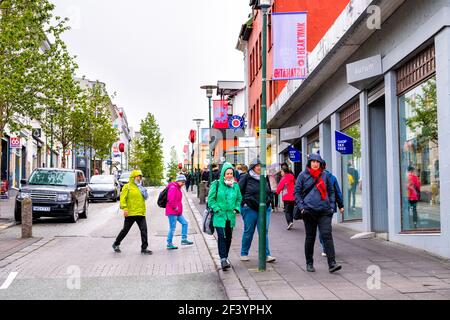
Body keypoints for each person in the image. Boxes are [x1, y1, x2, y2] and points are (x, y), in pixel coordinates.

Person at [295, 154, 341, 273]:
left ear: (320, 164)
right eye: (313, 161)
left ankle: (332, 263)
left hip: (324, 211)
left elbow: (331, 191)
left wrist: (331, 206)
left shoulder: (325, 175)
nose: (315, 164)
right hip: (309, 212)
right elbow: (297, 193)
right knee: (310, 237)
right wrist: (302, 208)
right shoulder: (302, 176)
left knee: (327, 235)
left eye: (317, 162)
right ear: (309, 163)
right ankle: (309, 263)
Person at [239, 158, 276, 263]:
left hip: (264, 209)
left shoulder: (265, 177)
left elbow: (269, 191)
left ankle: (266, 254)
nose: (259, 168)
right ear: (253, 167)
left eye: (261, 166)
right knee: (249, 231)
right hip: (250, 209)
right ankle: (244, 253)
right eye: (257, 165)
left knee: (264, 231)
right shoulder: (246, 177)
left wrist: (269, 201)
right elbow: (238, 191)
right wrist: (243, 203)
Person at [207, 162, 242, 270]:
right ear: (223, 174)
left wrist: (237, 208)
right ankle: (223, 260)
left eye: (231, 173)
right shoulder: (216, 184)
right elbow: (210, 200)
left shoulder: (235, 186)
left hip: (230, 216)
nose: (229, 175)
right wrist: (217, 209)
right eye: (227, 173)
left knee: (229, 238)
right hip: (219, 216)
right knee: (222, 237)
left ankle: (225, 257)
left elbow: (239, 199)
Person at [112, 170, 152, 255]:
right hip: (130, 213)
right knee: (125, 230)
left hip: (140, 212)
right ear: (133, 177)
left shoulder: (140, 187)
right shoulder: (127, 187)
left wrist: (144, 191)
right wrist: (125, 208)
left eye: (140, 177)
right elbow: (123, 199)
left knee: (144, 230)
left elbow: (144, 198)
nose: (139, 178)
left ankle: (144, 248)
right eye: (138, 176)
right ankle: (116, 244)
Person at [319, 161, 344, 257]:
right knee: (326, 227)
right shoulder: (332, 177)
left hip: (322, 207)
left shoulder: (330, 178)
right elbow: (338, 192)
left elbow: (337, 192)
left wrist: (340, 205)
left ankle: (325, 247)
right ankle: (326, 247)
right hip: (328, 207)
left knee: (321, 229)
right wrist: (340, 205)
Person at [165, 174, 194, 249]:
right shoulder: (173, 188)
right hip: (172, 212)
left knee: (185, 223)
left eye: (184, 182)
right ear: (178, 181)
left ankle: (184, 239)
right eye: (182, 182)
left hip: (177, 212)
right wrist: (175, 208)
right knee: (172, 228)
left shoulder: (178, 188)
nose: (184, 184)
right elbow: (170, 200)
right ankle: (169, 243)